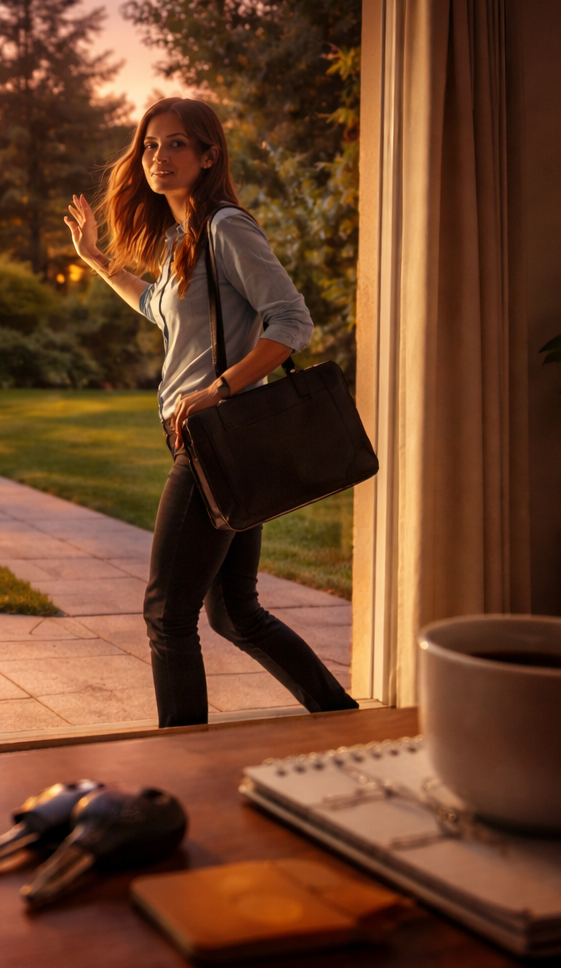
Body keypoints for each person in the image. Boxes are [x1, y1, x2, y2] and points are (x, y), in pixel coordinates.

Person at [64, 97, 359, 727]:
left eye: (175, 144)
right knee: (234, 611)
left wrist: (219, 389)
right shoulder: (180, 238)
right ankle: (340, 715)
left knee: (167, 615)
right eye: (149, 145)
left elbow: (292, 321)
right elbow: (157, 308)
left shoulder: (226, 226)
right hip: (216, 440)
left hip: (218, 438)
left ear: (207, 155)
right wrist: (96, 260)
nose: (158, 157)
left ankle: (185, 754)